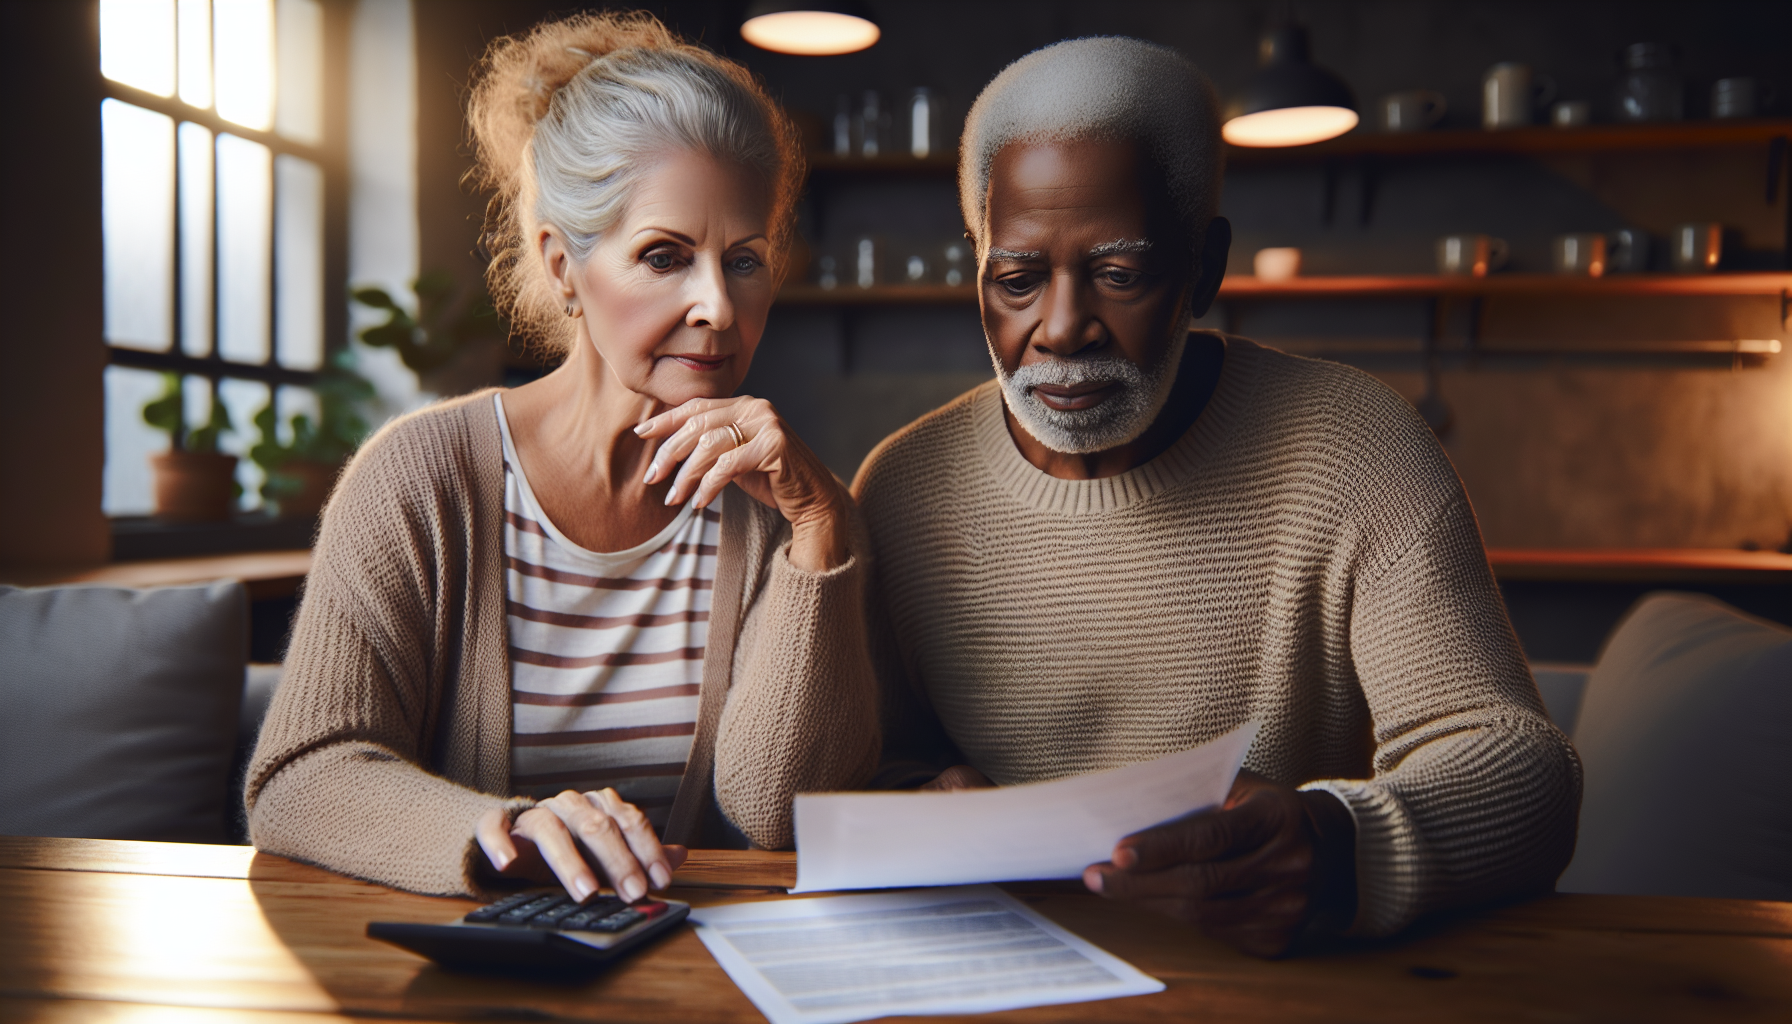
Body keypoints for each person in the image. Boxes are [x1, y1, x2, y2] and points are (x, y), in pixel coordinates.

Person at [851, 37, 1581, 956]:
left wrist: (1336, 844)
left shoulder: (1357, 447)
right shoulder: (903, 485)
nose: (1063, 327)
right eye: (1018, 279)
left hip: (1282, 981)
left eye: (1119, 275)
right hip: (1006, 974)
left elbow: (1527, 774)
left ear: (1204, 268)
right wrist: (918, 798)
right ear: (978, 266)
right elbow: (874, 770)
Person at [246, 12, 878, 902]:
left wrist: (818, 527)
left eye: (744, 261)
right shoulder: (423, 478)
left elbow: (779, 811)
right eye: (665, 256)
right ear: (560, 267)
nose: (719, 309)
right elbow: (300, 779)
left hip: (692, 977)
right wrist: (500, 832)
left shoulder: (789, 506)